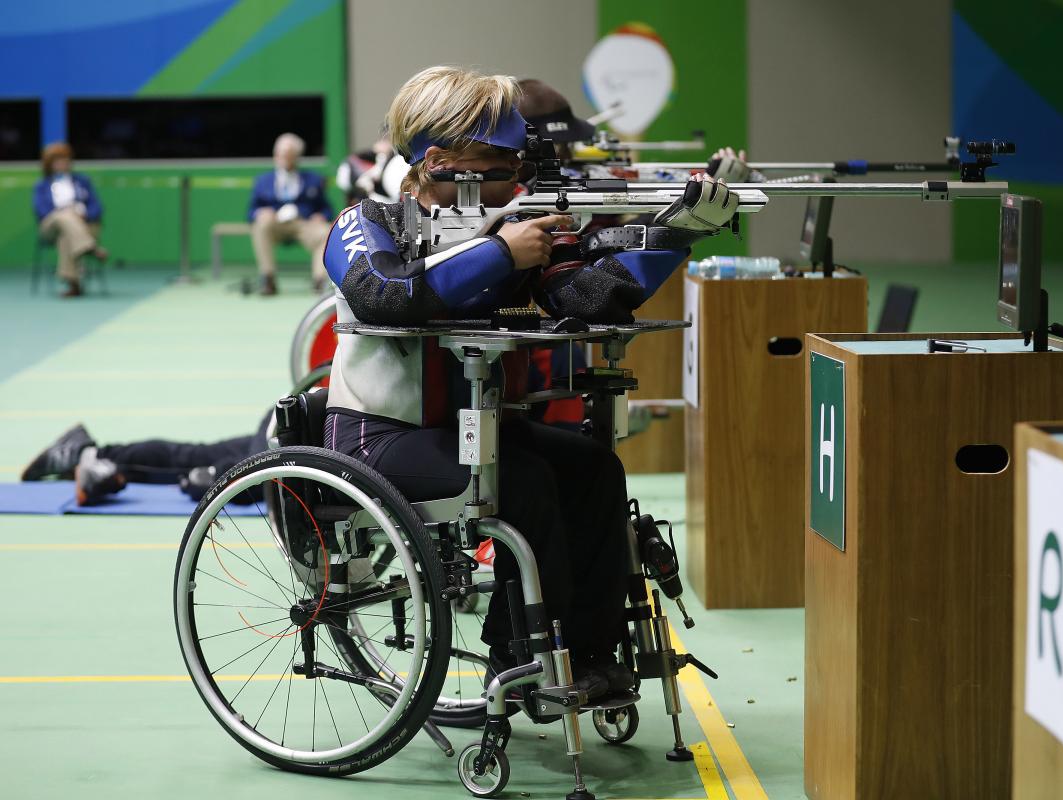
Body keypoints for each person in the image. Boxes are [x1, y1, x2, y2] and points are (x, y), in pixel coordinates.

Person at [322, 66, 736, 699]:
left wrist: (674, 234)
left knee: (594, 467)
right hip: (379, 436)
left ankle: (590, 654)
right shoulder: (366, 222)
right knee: (526, 481)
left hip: (479, 430)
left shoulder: (514, 223)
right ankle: (519, 658)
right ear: (440, 162)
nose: (520, 177)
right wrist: (499, 253)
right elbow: (383, 294)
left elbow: (584, 297)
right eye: (503, 164)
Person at [20, 417, 269, 506]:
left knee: (202, 456)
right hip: (291, 427)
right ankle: (89, 455)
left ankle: (91, 454)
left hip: (293, 426)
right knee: (245, 477)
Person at [249, 132, 334, 296]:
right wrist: (260, 213)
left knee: (325, 231)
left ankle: (319, 280)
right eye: (281, 155)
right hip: (275, 223)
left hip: (304, 223)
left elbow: (326, 209)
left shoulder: (313, 179)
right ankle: (268, 279)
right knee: (260, 225)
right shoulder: (262, 181)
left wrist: (322, 215)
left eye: (289, 155)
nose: (285, 159)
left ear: (297, 157)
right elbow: (251, 211)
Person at [32, 142, 108, 298]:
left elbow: (97, 207)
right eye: (58, 160)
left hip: (80, 226)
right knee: (64, 216)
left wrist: (84, 213)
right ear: (49, 164)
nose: (63, 163)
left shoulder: (82, 181)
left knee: (66, 234)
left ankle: (74, 285)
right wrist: (68, 213)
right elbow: (41, 211)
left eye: (65, 160)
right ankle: (90, 247)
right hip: (50, 226)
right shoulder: (41, 186)